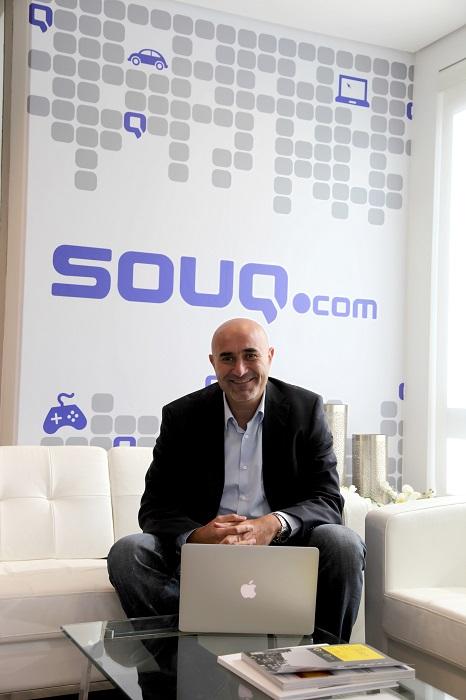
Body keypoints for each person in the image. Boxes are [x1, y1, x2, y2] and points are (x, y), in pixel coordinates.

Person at [107, 318, 366, 641]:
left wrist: (274, 524)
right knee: (128, 552)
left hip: (285, 549)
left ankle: (321, 660)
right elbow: (155, 507)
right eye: (227, 358)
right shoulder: (182, 416)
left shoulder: (305, 408)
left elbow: (327, 500)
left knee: (342, 543)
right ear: (213, 363)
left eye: (250, 355)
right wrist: (198, 536)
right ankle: (179, 657)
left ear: (269, 356)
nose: (240, 369)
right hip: (204, 556)